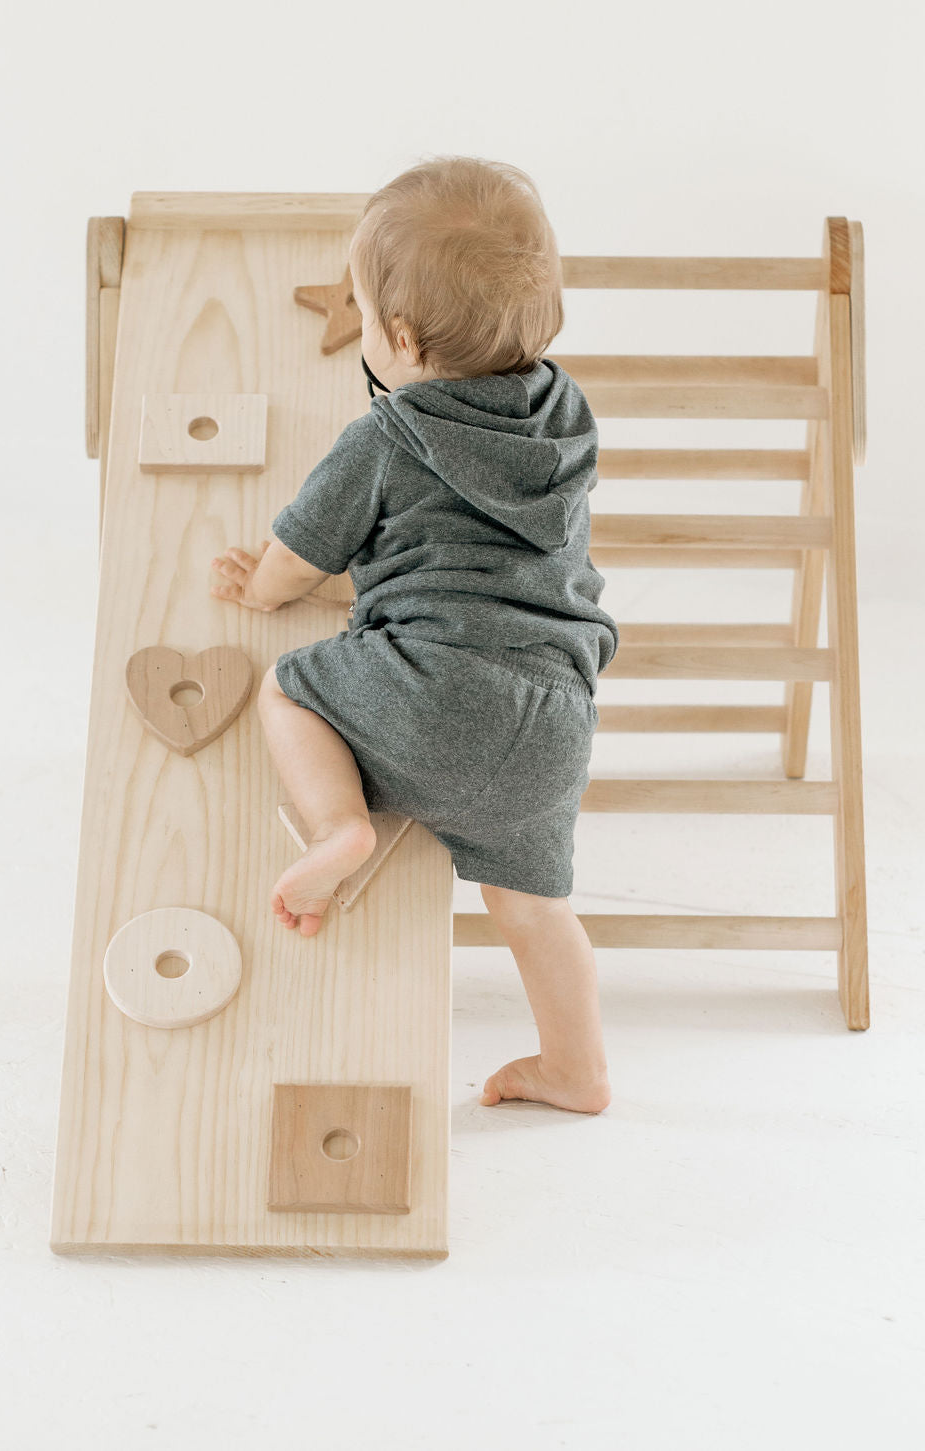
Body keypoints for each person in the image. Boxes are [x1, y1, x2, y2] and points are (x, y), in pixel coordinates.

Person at [210, 155, 619, 1113]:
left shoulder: (385, 439)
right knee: (533, 911)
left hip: (431, 692)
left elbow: (302, 551)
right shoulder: (568, 421)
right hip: (555, 718)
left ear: (396, 336)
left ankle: (340, 824)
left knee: (287, 688)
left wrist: (263, 587)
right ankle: (579, 1068)